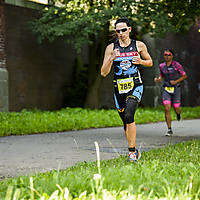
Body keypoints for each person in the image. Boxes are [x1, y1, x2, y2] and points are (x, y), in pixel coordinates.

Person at [101, 18, 153, 162]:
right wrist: (111, 58)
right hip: (119, 88)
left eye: (124, 30)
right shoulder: (111, 48)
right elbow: (103, 72)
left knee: (130, 115)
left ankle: (131, 153)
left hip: (135, 85)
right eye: (118, 31)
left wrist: (141, 61)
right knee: (125, 121)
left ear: (129, 29)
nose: (121, 33)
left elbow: (150, 62)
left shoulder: (139, 45)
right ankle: (134, 148)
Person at [154, 49, 187, 136]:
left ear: (172, 56)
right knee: (167, 108)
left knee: (176, 108)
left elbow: (184, 75)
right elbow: (162, 76)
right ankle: (169, 129)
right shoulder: (162, 66)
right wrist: (158, 79)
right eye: (165, 55)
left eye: (169, 55)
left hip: (176, 88)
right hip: (166, 88)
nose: (167, 56)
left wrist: (176, 81)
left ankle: (178, 114)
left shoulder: (177, 65)